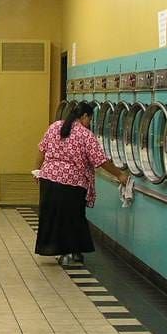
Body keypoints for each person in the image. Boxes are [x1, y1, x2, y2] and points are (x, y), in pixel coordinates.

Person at [35, 101, 130, 265]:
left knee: (53, 216)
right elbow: (101, 161)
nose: (90, 123)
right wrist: (120, 174)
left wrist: (36, 170)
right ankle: (69, 252)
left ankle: (66, 250)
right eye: (90, 119)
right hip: (72, 182)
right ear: (84, 116)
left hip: (49, 178)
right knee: (73, 217)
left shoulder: (55, 126)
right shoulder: (85, 135)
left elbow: (41, 149)